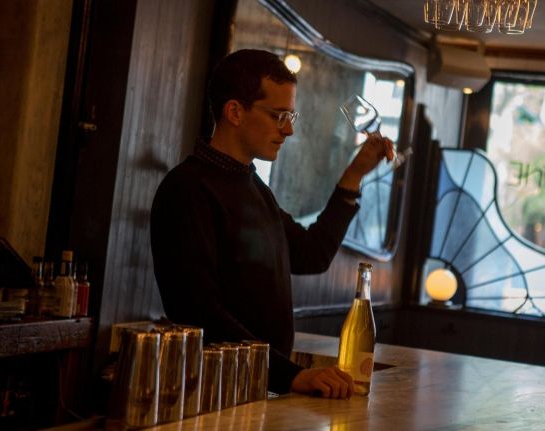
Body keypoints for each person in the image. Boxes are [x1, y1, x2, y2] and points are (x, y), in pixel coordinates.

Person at [150, 49, 393, 399]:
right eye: (279, 115)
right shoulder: (187, 189)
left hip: (255, 387)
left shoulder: (254, 188)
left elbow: (311, 255)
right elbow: (195, 309)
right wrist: (290, 375)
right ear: (235, 111)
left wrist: (354, 175)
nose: (289, 129)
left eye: (290, 115)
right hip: (209, 392)